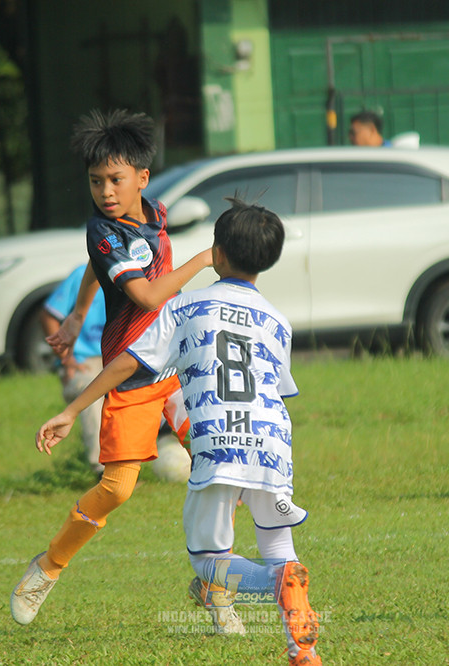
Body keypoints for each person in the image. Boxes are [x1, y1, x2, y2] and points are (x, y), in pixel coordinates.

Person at [35, 198, 321, 665]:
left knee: (209, 563)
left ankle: (276, 584)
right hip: (274, 447)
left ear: (217, 253)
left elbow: (130, 362)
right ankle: (302, 650)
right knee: (277, 544)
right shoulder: (278, 321)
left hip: (217, 449)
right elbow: (276, 388)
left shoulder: (186, 307)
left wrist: (73, 409)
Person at [10, 108, 213, 626]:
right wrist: (207, 258)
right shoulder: (102, 231)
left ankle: (215, 585)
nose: (105, 190)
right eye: (96, 181)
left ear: (142, 180)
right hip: (132, 372)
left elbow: (95, 270)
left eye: (115, 179)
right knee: (118, 489)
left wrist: (78, 314)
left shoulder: (155, 214)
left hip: (178, 367)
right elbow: (144, 296)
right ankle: (47, 567)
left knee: (222, 464)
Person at [39, 264, 108, 475]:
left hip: (118, 357)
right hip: (84, 360)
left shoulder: (135, 272)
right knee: (91, 390)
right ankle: (102, 469)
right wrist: (67, 360)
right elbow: (49, 315)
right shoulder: (82, 275)